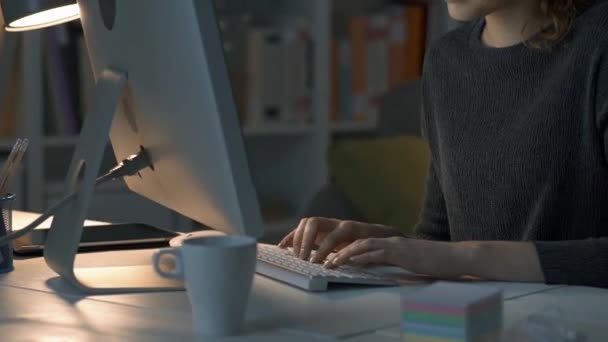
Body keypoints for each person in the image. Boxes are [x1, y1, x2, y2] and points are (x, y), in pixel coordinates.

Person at [279, 0, 608, 288]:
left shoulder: (598, 40)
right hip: (477, 316)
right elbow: (440, 241)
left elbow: (460, 255)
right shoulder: (445, 59)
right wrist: (383, 245)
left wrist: (470, 255)